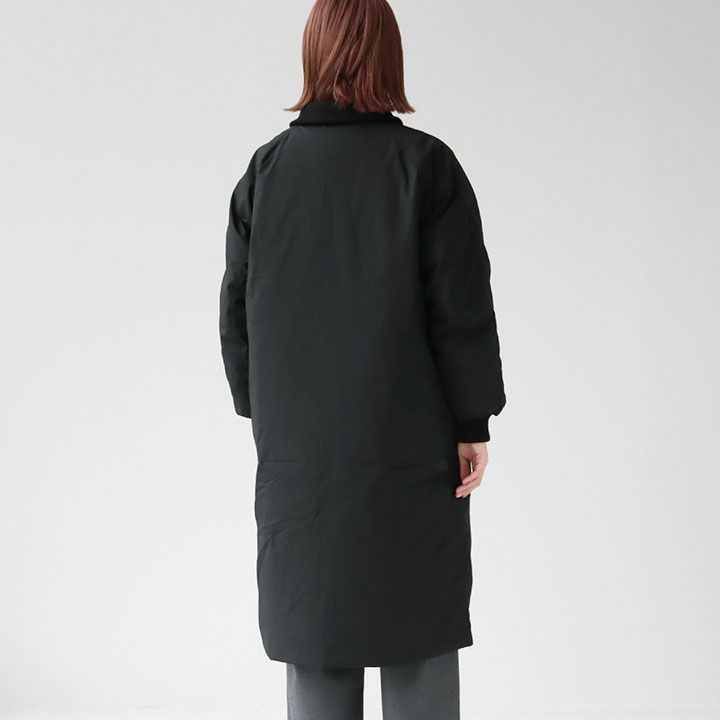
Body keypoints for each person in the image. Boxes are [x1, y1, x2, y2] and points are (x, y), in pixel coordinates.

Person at [219, 0, 506, 717]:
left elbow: (236, 313)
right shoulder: (426, 167)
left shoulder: (267, 172)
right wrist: (471, 420)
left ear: (313, 54)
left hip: (300, 462)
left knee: (317, 643)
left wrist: (269, 412)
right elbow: (461, 309)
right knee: (419, 640)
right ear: (390, 58)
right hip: (409, 454)